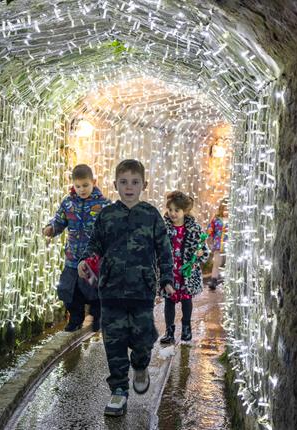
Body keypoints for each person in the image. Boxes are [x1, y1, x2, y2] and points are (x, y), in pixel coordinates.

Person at [77, 159, 173, 416]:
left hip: (142, 291)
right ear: (115, 184)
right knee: (114, 342)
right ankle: (119, 391)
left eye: (134, 182)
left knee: (143, 339)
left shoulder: (151, 215)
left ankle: (140, 365)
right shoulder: (107, 215)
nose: (129, 187)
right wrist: (85, 261)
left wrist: (167, 280)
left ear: (144, 185)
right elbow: (94, 245)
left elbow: (164, 250)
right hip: (111, 291)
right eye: (123, 182)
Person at [42, 164, 110, 332]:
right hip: (72, 258)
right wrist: (51, 229)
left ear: (93, 182)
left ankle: (98, 315)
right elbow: (59, 221)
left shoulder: (103, 205)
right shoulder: (68, 203)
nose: (81, 189)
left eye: (85, 185)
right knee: (68, 290)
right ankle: (75, 319)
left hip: (93, 260)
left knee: (93, 290)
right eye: (77, 186)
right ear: (72, 184)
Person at [159, 191, 210, 344]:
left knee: (186, 301)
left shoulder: (194, 229)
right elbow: (157, 248)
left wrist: (201, 253)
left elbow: (204, 251)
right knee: (169, 301)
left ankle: (186, 328)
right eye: (170, 210)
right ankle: (169, 330)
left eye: (177, 210)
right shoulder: (163, 228)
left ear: (185, 211)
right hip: (170, 272)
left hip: (187, 273)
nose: (173, 213)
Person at [206, 198, 228, 289]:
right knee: (216, 263)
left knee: (228, 264)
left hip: (229, 246)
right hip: (218, 245)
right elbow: (210, 230)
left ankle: (227, 280)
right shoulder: (216, 219)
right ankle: (213, 280)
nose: (226, 211)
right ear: (221, 208)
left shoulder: (233, 219)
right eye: (225, 208)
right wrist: (209, 240)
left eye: (228, 209)